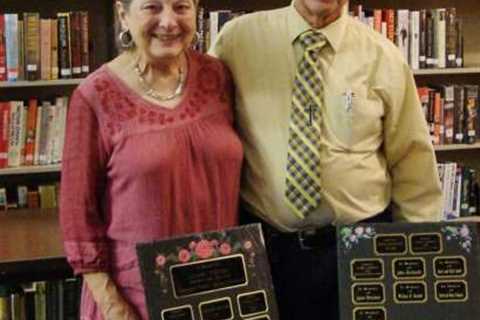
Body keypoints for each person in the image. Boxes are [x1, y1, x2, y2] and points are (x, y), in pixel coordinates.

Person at [210, 0, 443, 319]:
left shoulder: (383, 56)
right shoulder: (237, 41)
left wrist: (419, 257)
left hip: (361, 253)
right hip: (268, 253)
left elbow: (413, 165)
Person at [59, 0, 243, 319]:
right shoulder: (93, 97)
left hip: (218, 292)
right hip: (134, 302)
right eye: (153, 7)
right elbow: (78, 216)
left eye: (181, 7)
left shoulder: (218, 76)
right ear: (123, 14)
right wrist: (115, 308)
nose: (169, 21)